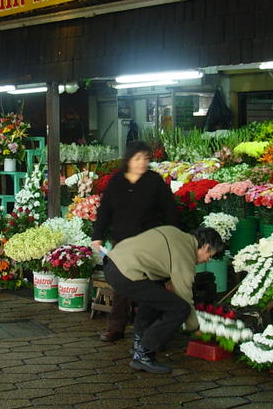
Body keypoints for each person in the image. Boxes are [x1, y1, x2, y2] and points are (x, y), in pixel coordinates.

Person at [104, 226, 223, 374]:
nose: (208, 259)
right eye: (210, 255)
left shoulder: (174, 232)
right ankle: (144, 355)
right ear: (205, 247)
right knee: (180, 308)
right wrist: (194, 328)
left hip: (111, 265)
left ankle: (139, 343)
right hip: (126, 274)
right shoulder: (185, 253)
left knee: (157, 296)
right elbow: (184, 295)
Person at [92, 141, 179, 342]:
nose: (142, 163)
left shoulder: (154, 181)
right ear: (129, 160)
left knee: (151, 284)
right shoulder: (117, 181)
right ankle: (116, 327)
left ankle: (149, 330)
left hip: (149, 242)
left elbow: (170, 211)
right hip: (122, 243)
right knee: (122, 285)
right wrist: (97, 235)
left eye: (146, 159)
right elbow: (105, 211)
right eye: (137, 158)